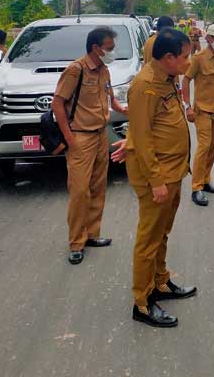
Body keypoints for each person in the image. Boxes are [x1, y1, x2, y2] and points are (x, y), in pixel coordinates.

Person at [110, 28, 197, 328]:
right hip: (157, 176)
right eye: (185, 56)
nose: (189, 61)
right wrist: (156, 180)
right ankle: (142, 302)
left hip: (173, 170)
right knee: (149, 238)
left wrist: (130, 140)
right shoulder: (145, 86)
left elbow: (142, 126)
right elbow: (145, 135)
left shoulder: (167, 77)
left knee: (163, 232)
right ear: (169, 57)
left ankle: (160, 281)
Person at [53, 26, 127, 266]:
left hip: (100, 135)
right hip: (80, 138)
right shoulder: (76, 70)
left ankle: (92, 234)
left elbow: (110, 98)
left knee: (97, 187)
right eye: (109, 48)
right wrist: (70, 139)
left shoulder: (104, 70)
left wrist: (124, 108)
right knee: (79, 191)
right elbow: (57, 104)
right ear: (96, 48)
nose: (112, 52)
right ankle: (76, 242)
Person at [182, 23, 214, 207]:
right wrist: (188, 106)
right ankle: (196, 188)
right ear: (209, 38)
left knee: (212, 148)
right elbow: (185, 81)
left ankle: (206, 180)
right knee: (203, 147)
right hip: (202, 111)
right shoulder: (199, 58)